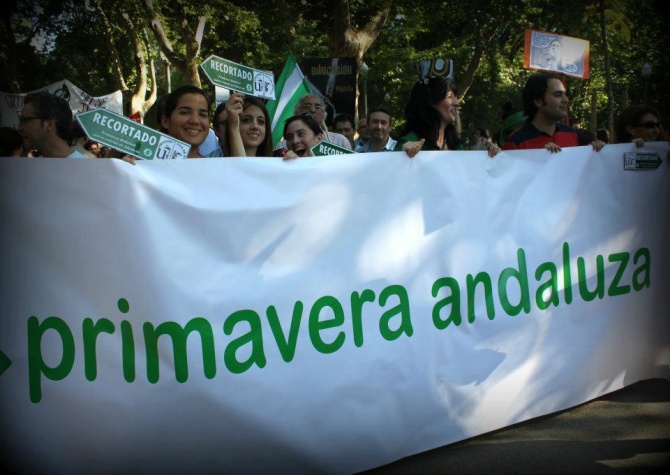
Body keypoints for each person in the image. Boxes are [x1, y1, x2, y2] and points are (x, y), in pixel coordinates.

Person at [395, 58, 500, 158]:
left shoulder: (456, 146)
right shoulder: (410, 141)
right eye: (449, 96)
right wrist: (401, 154)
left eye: (455, 96)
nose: (456, 103)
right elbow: (394, 168)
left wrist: (491, 155)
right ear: (432, 102)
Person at [503, 73, 604, 153]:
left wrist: (596, 152)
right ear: (538, 101)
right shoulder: (514, 143)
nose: (566, 100)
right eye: (557, 94)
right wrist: (538, 157)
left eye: (564, 94)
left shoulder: (572, 134)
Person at [17, 91, 87, 158]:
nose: (19, 128)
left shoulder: (86, 165)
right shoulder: (29, 165)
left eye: (25, 120)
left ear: (49, 124)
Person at [160, 85, 211, 159]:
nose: (195, 121)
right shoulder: (144, 163)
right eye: (185, 112)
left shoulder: (215, 165)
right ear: (165, 121)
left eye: (202, 114)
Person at [224, 93, 273, 157]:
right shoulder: (215, 162)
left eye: (261, 121)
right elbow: (240, 163)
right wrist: (233, 127)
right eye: (246, 120)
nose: (255, 126)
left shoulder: (278, 161)